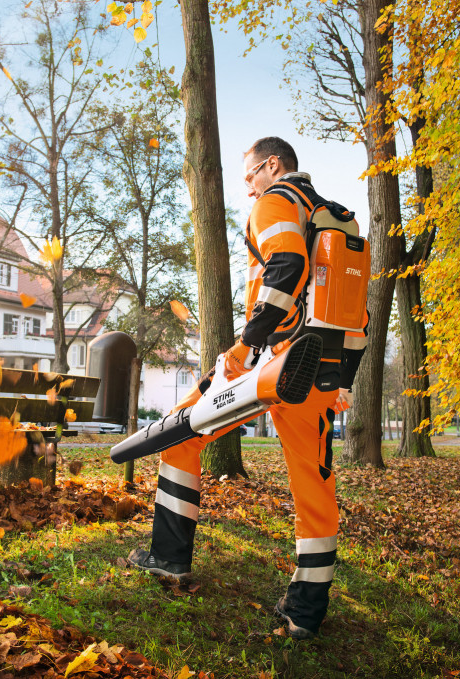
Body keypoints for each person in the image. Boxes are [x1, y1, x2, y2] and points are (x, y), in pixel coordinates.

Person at [128, 137, 367, 640]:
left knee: (179, 433)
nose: (249, 188)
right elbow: (356, 313)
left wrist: (245, 344)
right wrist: (344, 378)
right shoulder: (339, 220)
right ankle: (305, 613)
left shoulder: (277, 201)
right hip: (319, 371)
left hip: (269, 362)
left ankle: (168, 557)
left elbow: (287, 267)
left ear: (273, 166)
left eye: (250, 175)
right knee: (315, 487)